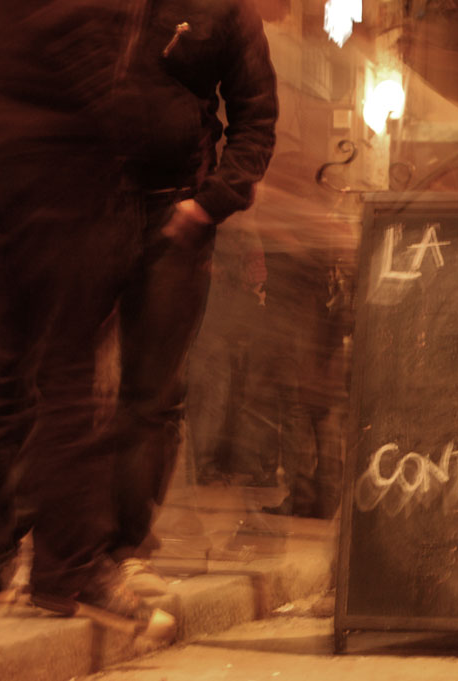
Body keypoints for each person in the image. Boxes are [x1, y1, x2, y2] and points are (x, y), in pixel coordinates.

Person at [0, 0, 176, 643]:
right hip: (69, 173)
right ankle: (69, 572)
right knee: (73, 382)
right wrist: (147, 130)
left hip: (1, 162)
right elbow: (91, 51)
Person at [101, 0, 278, 588]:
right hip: (85, 204)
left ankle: (121, 545)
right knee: (56, 376)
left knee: (152, 392)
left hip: (175, 212)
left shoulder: (227, 9)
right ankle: (41, 540)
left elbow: (257, 116)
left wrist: (211, 201)